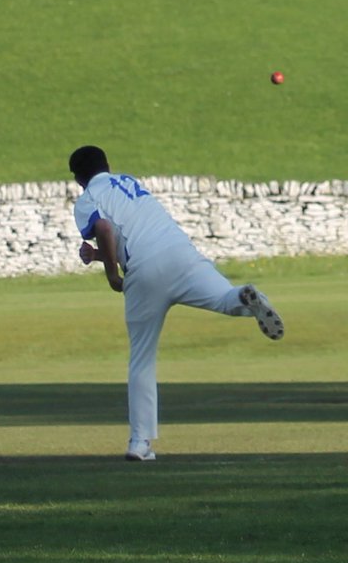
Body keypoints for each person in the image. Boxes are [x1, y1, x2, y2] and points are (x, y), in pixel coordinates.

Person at [69, 145, 284, 463]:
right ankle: (245, 296)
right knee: (225, 300)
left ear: (78, 179)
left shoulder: (87, 200)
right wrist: (101, 254)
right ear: (108, 165)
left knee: (142, 358)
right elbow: (127, 232)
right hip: (179, 252)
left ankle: (140, 442)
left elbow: (103, 228)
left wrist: (112, 275)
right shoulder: (130, 182)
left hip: (143, 272)